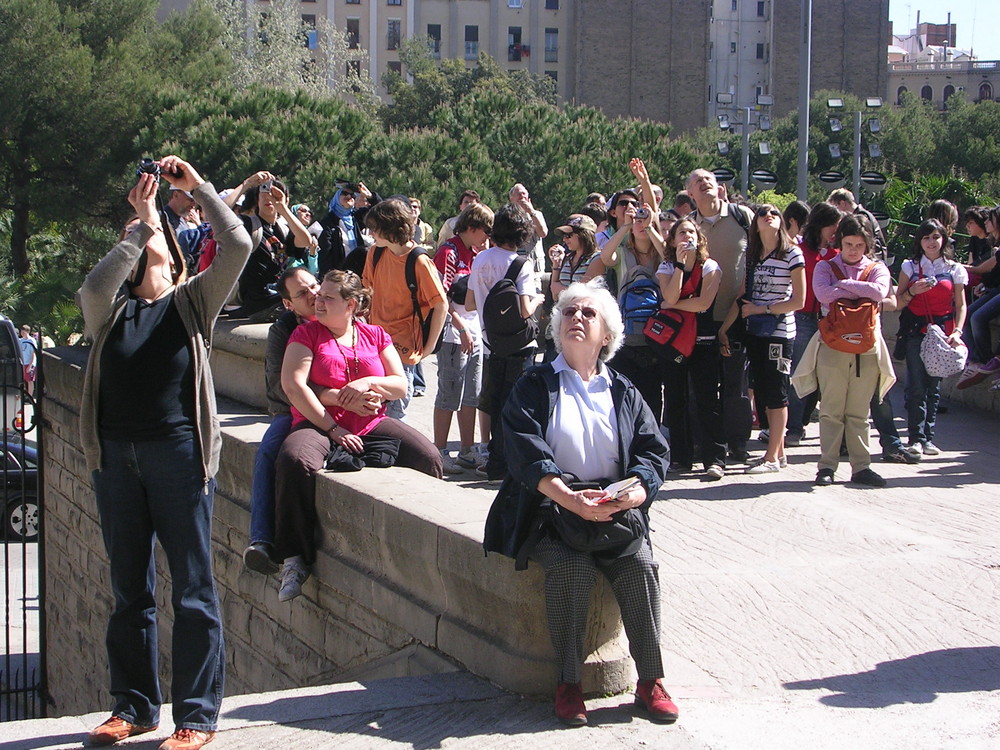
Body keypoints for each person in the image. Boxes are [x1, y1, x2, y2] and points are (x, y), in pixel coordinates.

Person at [78, 156, 252, 750]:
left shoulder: (190, 305)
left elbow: (238, 243)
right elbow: (92, 288)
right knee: (130, 589)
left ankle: (196, 715)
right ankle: (132, 707)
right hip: (116, 459)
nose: (148, 253)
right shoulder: (111, 315)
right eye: (140, 251)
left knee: (193, 589)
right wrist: (142, 227)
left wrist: (196, 187)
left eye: (157, 249)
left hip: (177, 454)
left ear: (176, 264)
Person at [483, 280, 676, 727]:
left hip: (615, 510)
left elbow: (654, 451)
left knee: (641, 567)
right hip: (550, 508)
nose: (576, 319)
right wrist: (570, 498)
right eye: (568, 312)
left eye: (589, 314)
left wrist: (638, 490)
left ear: (606, 335)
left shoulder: (623, 389)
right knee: (571, 568)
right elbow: (523, 449)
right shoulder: (534, 383)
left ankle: (651, 681)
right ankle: (569, 684)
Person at [273, 271, 443, 601]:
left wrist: (365, 384)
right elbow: (293, 385)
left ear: (351, 305)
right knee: (294, 459)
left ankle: (426, 552)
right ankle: (294, 558)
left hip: (369, 424)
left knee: (428, 456)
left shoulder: (375, 335)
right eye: (318, 295)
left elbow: (400, 384)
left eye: (327, 298)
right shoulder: (306, 334)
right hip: (319, 423)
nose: (317, 302)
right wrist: (333, 427)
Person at [802, 215, 893, 487]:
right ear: (839, 242)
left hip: (866, 349)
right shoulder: (825, 266)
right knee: (831, 410)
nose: (853, 250)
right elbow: (822, 294)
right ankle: (827, 467)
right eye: (848, 243)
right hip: (832, 346)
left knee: (859, 412)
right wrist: (858, 292)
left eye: (859, 244)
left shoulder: (877, 267)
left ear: (867, 245)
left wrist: (842, 286)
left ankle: (861, 467)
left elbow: (879, 292)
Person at [243, 267, 320, 575]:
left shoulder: (339, 315)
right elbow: (278, 385)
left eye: (314, 285)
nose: (313, 294)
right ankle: (261, 540)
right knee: (269, 451)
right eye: (302, 293)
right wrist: (318, 399)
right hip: (291, 410)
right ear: (288, 303)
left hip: (343, 410)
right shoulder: (283, 330)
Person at [720, 204, 805, 474]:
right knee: (763, 392)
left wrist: (763, 309)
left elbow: (799, 301)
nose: (768, 216)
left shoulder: (792, 253)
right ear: (755, 224)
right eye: (762, 213)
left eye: (774, 213)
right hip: (755, 331)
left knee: (778, 393)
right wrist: (726, 328)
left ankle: (771, 458)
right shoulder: (753, 256)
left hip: (779, 332)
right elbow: (743, 294)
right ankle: (776, 454)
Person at [467, 204, 544, 481]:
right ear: (522, 233)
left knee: (496, 401)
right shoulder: (521, 263)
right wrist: (539, 299)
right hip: (519, 344)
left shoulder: (480, 259)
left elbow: (471, 302)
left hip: (491, 342)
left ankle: (494, 460)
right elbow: (525, 310)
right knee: (516, 404)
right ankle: (509, 463)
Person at [687, 169, 756, 462]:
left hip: (738, 313)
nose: (703, 184)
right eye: (696, 182)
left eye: (708, 180)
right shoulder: (689, 225)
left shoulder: (743, 217)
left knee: (736, 383)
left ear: (720, 187)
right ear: (690, 193)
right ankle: (706, 444)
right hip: (699, 314)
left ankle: (738, 443)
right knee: (701, 385)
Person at [362, 198, 448, 421]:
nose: (371, 234)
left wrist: (427, 349)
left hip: (403, 350)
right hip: (374, 345)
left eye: (374, 228)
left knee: (394, 417)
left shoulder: (419, 261)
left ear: (389, 228)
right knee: (370, 413)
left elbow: (441, 305)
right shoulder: (376, 253)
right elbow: (366, 293)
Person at [656, 219, 726, 479]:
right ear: (672, 240)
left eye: (691, 231)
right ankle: (680, 458)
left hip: (704, 341)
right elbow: (670, 296)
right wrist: (679, 267)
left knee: (707, 400)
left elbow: (703, 304)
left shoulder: (710, 267)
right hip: (674, 343)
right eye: (681, 232)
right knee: (675, 400)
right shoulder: (666, 267)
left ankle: (714, 458)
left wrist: (670, 306)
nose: (686, 236)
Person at [432, 203, 495, 473]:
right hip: (452, 335)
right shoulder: (448, 252)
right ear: (471, 227)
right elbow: (440, 299)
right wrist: (460, 328)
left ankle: (468, 450)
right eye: (486, 229)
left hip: (475, 332)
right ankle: (439, 450)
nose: (488, 236)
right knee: (449, 393)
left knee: (473, 394)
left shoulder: (476, 254)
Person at [896, 219, 968, 455]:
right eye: (926, 237)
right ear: (920, 241)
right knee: (916, 386)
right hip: (916, 332)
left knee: (933, 388)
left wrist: (957, 331)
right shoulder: (910, 266)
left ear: (943, 239)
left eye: (935, 237)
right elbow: (898, 302)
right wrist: (912, 292)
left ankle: (928, 438)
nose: (931, 242)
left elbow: (961, 304)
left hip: (943, 335)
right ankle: (915, 438)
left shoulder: (954, 269)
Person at [783, 202, 843, 446]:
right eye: (833, 226)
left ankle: (804, 421)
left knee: (823, 376)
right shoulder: (799, 249)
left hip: (829, 320)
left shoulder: (837, 254)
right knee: (800, 372)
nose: (835, 232)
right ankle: (793, 428)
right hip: (802, 317)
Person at [223, 171, 313, 320]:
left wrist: (282, 208)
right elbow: (218, 211)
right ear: (256, 198)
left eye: (274, 192)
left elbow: (306, 241)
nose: (268, 197)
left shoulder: (283, 229)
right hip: (253, 302)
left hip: (276, 295)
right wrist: (248, 183)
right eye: (264, 191)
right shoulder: (248, 225)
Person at [318, 181, 378, 277]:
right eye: (345, 193)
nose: (349, 197)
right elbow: (325, 255)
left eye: (352, 195)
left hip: (359, 271)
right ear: (337, 197)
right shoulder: (328, 223)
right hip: (339, 275)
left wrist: (370, 196)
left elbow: (379, 211)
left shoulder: (355, 218)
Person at [18, 324, 37, 397]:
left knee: (29, 380)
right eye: (21, 332)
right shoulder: (21, 340)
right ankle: (23, 395)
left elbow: (33, 353)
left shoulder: (31, 341)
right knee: (23, 380)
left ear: (27, 332)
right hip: (22, 363)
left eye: (23, 332)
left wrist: (30, 365)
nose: (22, 333)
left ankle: (30, 396)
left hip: (29, 363)